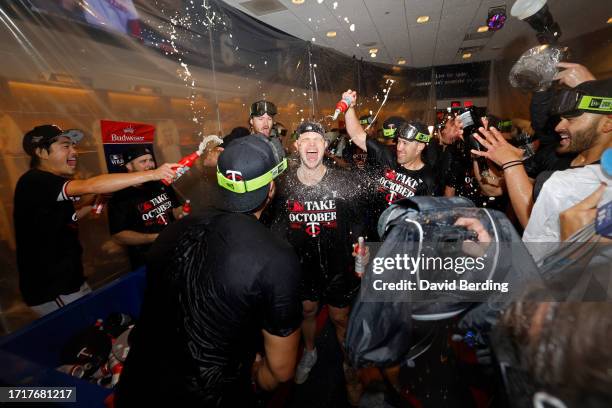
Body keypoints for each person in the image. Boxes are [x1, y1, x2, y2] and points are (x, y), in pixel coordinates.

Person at [116, 135, 302, 407]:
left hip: (136, 388)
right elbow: (281, 370)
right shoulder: (275, 256)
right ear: (271, 188)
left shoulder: (170, 231)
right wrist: (256, 383)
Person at [13, 125, 176, 316]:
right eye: (66, 146)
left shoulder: (50, 186)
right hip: (52, 289)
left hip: (71, 281)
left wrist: (93, 205)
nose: (74, 151)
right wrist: (153, 173)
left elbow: (68, 217)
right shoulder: (35, 180)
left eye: (74, 146)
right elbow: (89, 185)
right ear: (41, 152)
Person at [267, 121, 365, 402]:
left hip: (338, 268)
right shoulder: (283, 185)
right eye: (305, 139)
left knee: (340, 317)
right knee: (308, 312)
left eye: (317, 140)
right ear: (296, 146)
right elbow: (275, 228)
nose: (311, 144)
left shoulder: (342, 181)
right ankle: (309, 352)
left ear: (325, 147)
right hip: (301, 268)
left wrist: (360, 250)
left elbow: (357, 224)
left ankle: (350, 366)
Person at [471, 77, 611, 261]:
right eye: (561, 119)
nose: (560, 126)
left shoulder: (600, 180)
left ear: (608, 123)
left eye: (571, 120)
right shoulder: (556, 154)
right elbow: (494, 187)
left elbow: (538, 229)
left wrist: (512, 165)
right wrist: (484, 154)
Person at [342, 89, 436, 239]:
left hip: (400, 244)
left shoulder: (428, 178)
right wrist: (350, 107)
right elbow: (357, 135)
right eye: (399, 141)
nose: (399, 147)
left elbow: (427, 222)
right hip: (371, 235)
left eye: (405, 143)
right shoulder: (387, 156)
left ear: (420, 147)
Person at [107, 145, 183, 270]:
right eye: (143, 161)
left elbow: (174, 210)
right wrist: (155, 238)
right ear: (129, 166)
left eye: (151, 160)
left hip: (175, 249)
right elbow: (118, 235)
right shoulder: (120, 196)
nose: (150, 165)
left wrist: (180, 212)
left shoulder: (161, 183)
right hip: (147, 260)